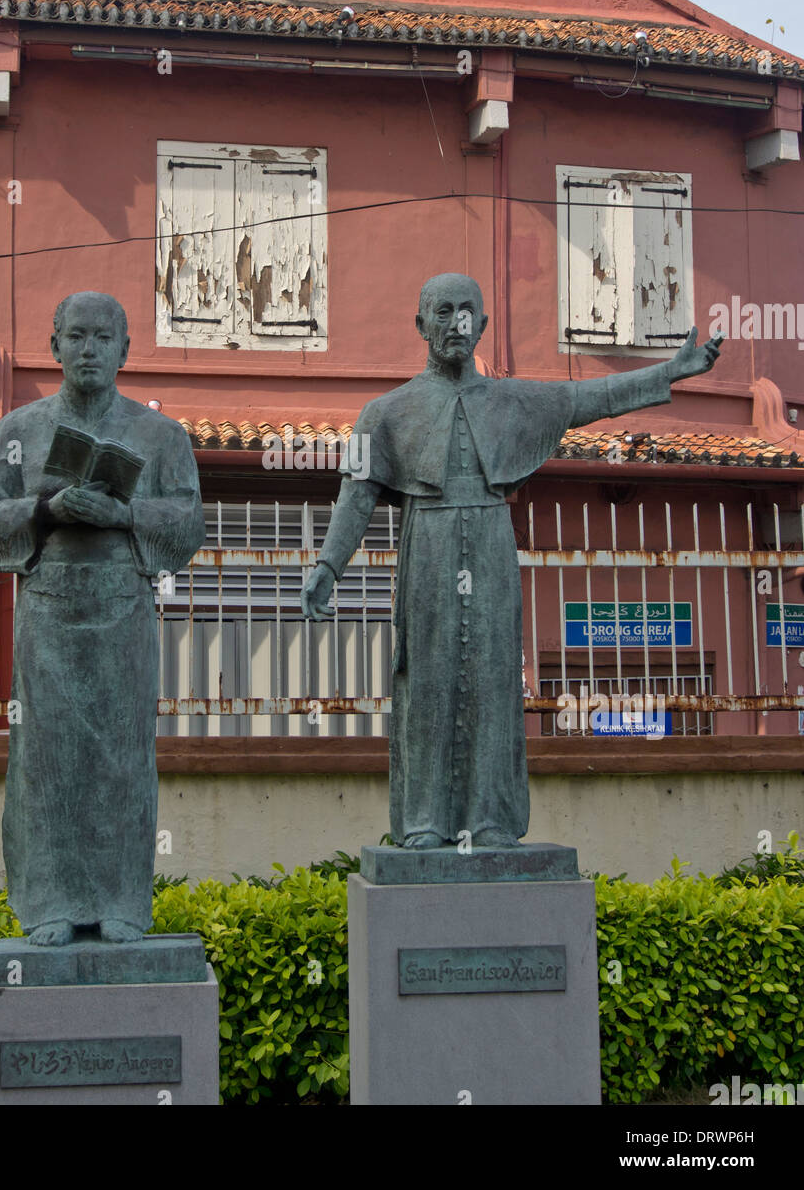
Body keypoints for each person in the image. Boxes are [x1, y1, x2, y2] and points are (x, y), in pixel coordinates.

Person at [301, 273, 721, 850]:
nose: (456, 323)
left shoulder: (515, 401)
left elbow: (589, 398)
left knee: (495, 680)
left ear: (484, 325)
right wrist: (328, 567)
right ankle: (423, 821)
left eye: (467, 311)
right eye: (443, 312)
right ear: (420, 325)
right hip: (428, 544)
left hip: (493, 543)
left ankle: (493, 820)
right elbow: (357, 492)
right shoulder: (385, 413)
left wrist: (669, 371)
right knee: (427, 682)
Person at [0, 292, 205, 944]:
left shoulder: (160, 436)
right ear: (54, 347)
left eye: (104, 337)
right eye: (76, 336)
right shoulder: (20, 431)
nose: (90, 348)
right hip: (48, 611)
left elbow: (187, 520)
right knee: (46, 760)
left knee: (120, 758)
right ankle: (48, 904)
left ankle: (121, 900)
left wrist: (124, 515)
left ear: (125, 350)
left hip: (122, 611)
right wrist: (46, 510)